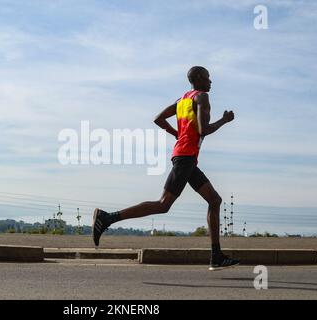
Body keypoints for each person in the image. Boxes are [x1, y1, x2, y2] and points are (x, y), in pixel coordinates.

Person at [92, 66, 240, 271]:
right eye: (208, 77)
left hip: (185, 157)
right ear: (198, 79)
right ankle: (107, 218)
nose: (211, 82)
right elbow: (203, 130)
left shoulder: (182, 100)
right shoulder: (202, 97)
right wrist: (224, 120)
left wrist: (177, 135)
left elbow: (158, 119)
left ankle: (216, 256)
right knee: (163, 204)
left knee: (214, 200)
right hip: (185, 158)